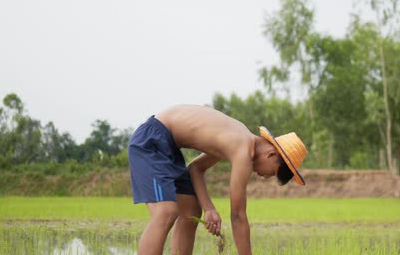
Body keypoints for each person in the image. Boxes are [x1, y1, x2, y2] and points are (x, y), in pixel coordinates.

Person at [128, 104, 308, 255]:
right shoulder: (242, 150)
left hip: (170, 146)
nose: (265, 176)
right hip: (153, 141)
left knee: (190, 209)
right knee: (166, 212)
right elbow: (238, 216)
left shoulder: (237, 140)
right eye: (273, 172)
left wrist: (209, 208)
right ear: (272, 154)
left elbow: (196, 168)